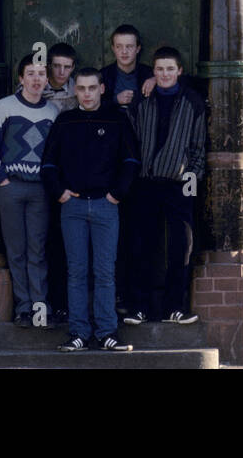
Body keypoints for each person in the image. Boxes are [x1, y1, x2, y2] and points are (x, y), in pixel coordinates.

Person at [41, 68, 140, 352]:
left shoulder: (116, 119)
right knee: (76, 272)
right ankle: (79, 334)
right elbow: (49, 163)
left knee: (105, 272)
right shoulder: (65, 120)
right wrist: (59, 193)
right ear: (75, 91)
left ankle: (107, 333)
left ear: (102, 89)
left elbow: (131, 161)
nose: (86, 94)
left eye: (92, 88)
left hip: (105, 206)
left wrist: (116, 194)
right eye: (81, 88)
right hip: (72, 206)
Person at [124, 46, 206, 325]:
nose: (164, 74)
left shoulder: (193, 101)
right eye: (159, 69)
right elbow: (130, 143)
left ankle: (175, 308)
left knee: (180, 247)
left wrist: (190, 181)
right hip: (145, 183)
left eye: (170, 69)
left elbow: (197, 149)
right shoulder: (141, 101)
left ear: (180, 71)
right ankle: (140, 308)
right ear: (153, 72)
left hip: (179, 185)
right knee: (140, 246)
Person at [0, 54, 60, 327]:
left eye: (41, 74)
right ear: (21, 78)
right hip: (11, 186)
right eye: (31, 74)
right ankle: (23, 308)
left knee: (37, 249)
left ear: (47, 79)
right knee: (16, 250)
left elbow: (58, 154)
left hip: (41, 191)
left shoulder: (53, 113)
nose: (37, 79)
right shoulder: (4, 108)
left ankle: (40, 308)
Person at [99, 24, 154, 315]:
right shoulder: (104, 76)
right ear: (113, 48)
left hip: (144, 169)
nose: (124, 52)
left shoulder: (149, 74)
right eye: (119, 46)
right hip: (110, 167)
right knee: (111, 238)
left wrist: (157, 79)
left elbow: (186, 85)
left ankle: (140, 301)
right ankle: (115, 299)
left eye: (129, 46)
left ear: (138, 48)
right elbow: (88, 104)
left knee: (139, 237)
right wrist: (113, 101)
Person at [42, 42, 77, 325]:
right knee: (48, 242)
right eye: (57, 66)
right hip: (40, 174)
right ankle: (51, 303)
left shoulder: (81, 91)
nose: (61, 72)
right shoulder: (34, 90)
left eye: (67, 67)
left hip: (72, 174)